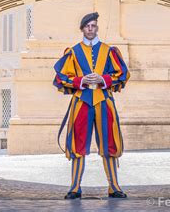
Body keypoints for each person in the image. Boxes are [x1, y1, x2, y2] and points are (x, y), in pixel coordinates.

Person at [53, 12, 130, 199]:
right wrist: (81, 80)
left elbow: (122, 74)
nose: (90, 29)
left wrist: (103, 79)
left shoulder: (109, 51)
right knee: (77, 145)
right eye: (87, 26)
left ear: (97, 28)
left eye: (93, 26)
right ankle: (74, 187)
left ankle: (114, 187)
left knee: (109, 143)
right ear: (82, 29)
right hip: (81, 102)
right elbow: (61, 78)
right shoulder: (73, 52)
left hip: (104, 100)